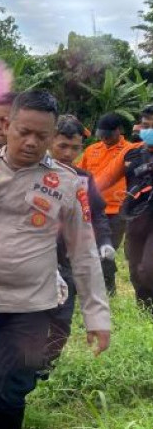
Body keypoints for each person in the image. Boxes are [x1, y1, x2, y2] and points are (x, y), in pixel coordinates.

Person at [0, 90, 111, 429]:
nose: (32, 142)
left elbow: (84, 252)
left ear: (52, 134)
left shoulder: (67, 184)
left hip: (30, 306)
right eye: (24, 132)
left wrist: (97, 315)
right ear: (8, 126)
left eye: (42, 136)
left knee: (6, 390)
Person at [45, 115, 113, 368]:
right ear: (50, 140)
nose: (68, 153)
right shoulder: (32, 173)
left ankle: (44, 368)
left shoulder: (82, 178)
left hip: (68, 260)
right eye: (63, 146)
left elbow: (97, 213)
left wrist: (105, 240)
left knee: (61, 322)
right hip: (34, 260)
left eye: (75, 148)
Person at [95, 104, 153, 310]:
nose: (148, 131)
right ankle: (145, 315)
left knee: (148, 270)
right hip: (135, 218)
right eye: (146, 125)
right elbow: (104, 179)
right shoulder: (131, 153)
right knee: (136, 272)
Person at [77, 112, 131, 295]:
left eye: (108, 134)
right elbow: (81, 176)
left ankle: (108, 287)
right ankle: (102, 284)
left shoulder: (130, 151)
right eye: (101, 135)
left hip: (117, 209)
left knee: (107, 248)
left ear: (119, 131)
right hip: (92, 208)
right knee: (91, 247)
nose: (104, 138)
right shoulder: (92, 150)